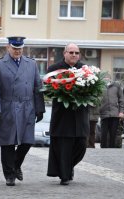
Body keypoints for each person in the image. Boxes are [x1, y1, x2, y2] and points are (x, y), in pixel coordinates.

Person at [0, 36, 45, 186]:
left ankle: (15, 164)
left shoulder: (31, 64)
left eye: (20, 49)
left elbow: (37, 87)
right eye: (14, 48)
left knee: (27, 141)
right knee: (8, 143)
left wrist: (40, 108)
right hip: (8, 106)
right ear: (8, 47)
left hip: (28, 106)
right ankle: (9, 174)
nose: (17, 51)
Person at [46, 43, 89, 185]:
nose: (74, 55)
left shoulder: (85, 70)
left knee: (81, 146)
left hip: (80, 115)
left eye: (76, 53)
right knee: (64, 147)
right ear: (64, 53)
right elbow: (47, 90)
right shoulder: (54, 69)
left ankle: (68, 167)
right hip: (63, 116)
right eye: (71, 52)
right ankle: (65, 175)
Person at [99, 74, 124, 148]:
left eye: (107, 77)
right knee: (103, 134)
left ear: (110, 78)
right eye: (104, 77)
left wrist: (121, 111)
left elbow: (121, 100)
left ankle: (112, 149)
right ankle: (103, 149)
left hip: (115, 114)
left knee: (113, 134)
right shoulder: (100, 86)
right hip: (104, 113)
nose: (106, 79)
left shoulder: (116, 86)